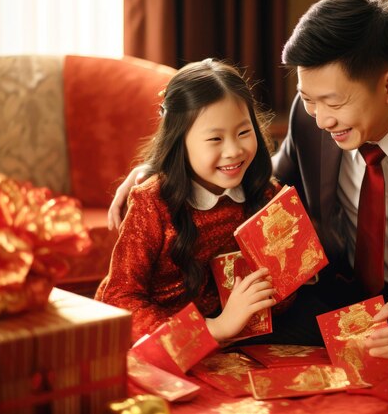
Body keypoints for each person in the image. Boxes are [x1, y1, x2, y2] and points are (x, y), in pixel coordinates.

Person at [109, 0, 388, 410]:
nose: (321, 118)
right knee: (239, 336)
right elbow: (266, 183)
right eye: (309, 99)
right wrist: (161, 172)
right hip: (347, 300)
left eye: (333, 102)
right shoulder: (309, 116)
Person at [95, 59, 280, 344]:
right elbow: (121, 298)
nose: (233, 150)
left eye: (243, 132)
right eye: (215, 139)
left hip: (229, 339)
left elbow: (278, 294)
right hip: (151, 339)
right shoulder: (153, 203)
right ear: (180, 141)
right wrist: (214, 329)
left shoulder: (265, 194)